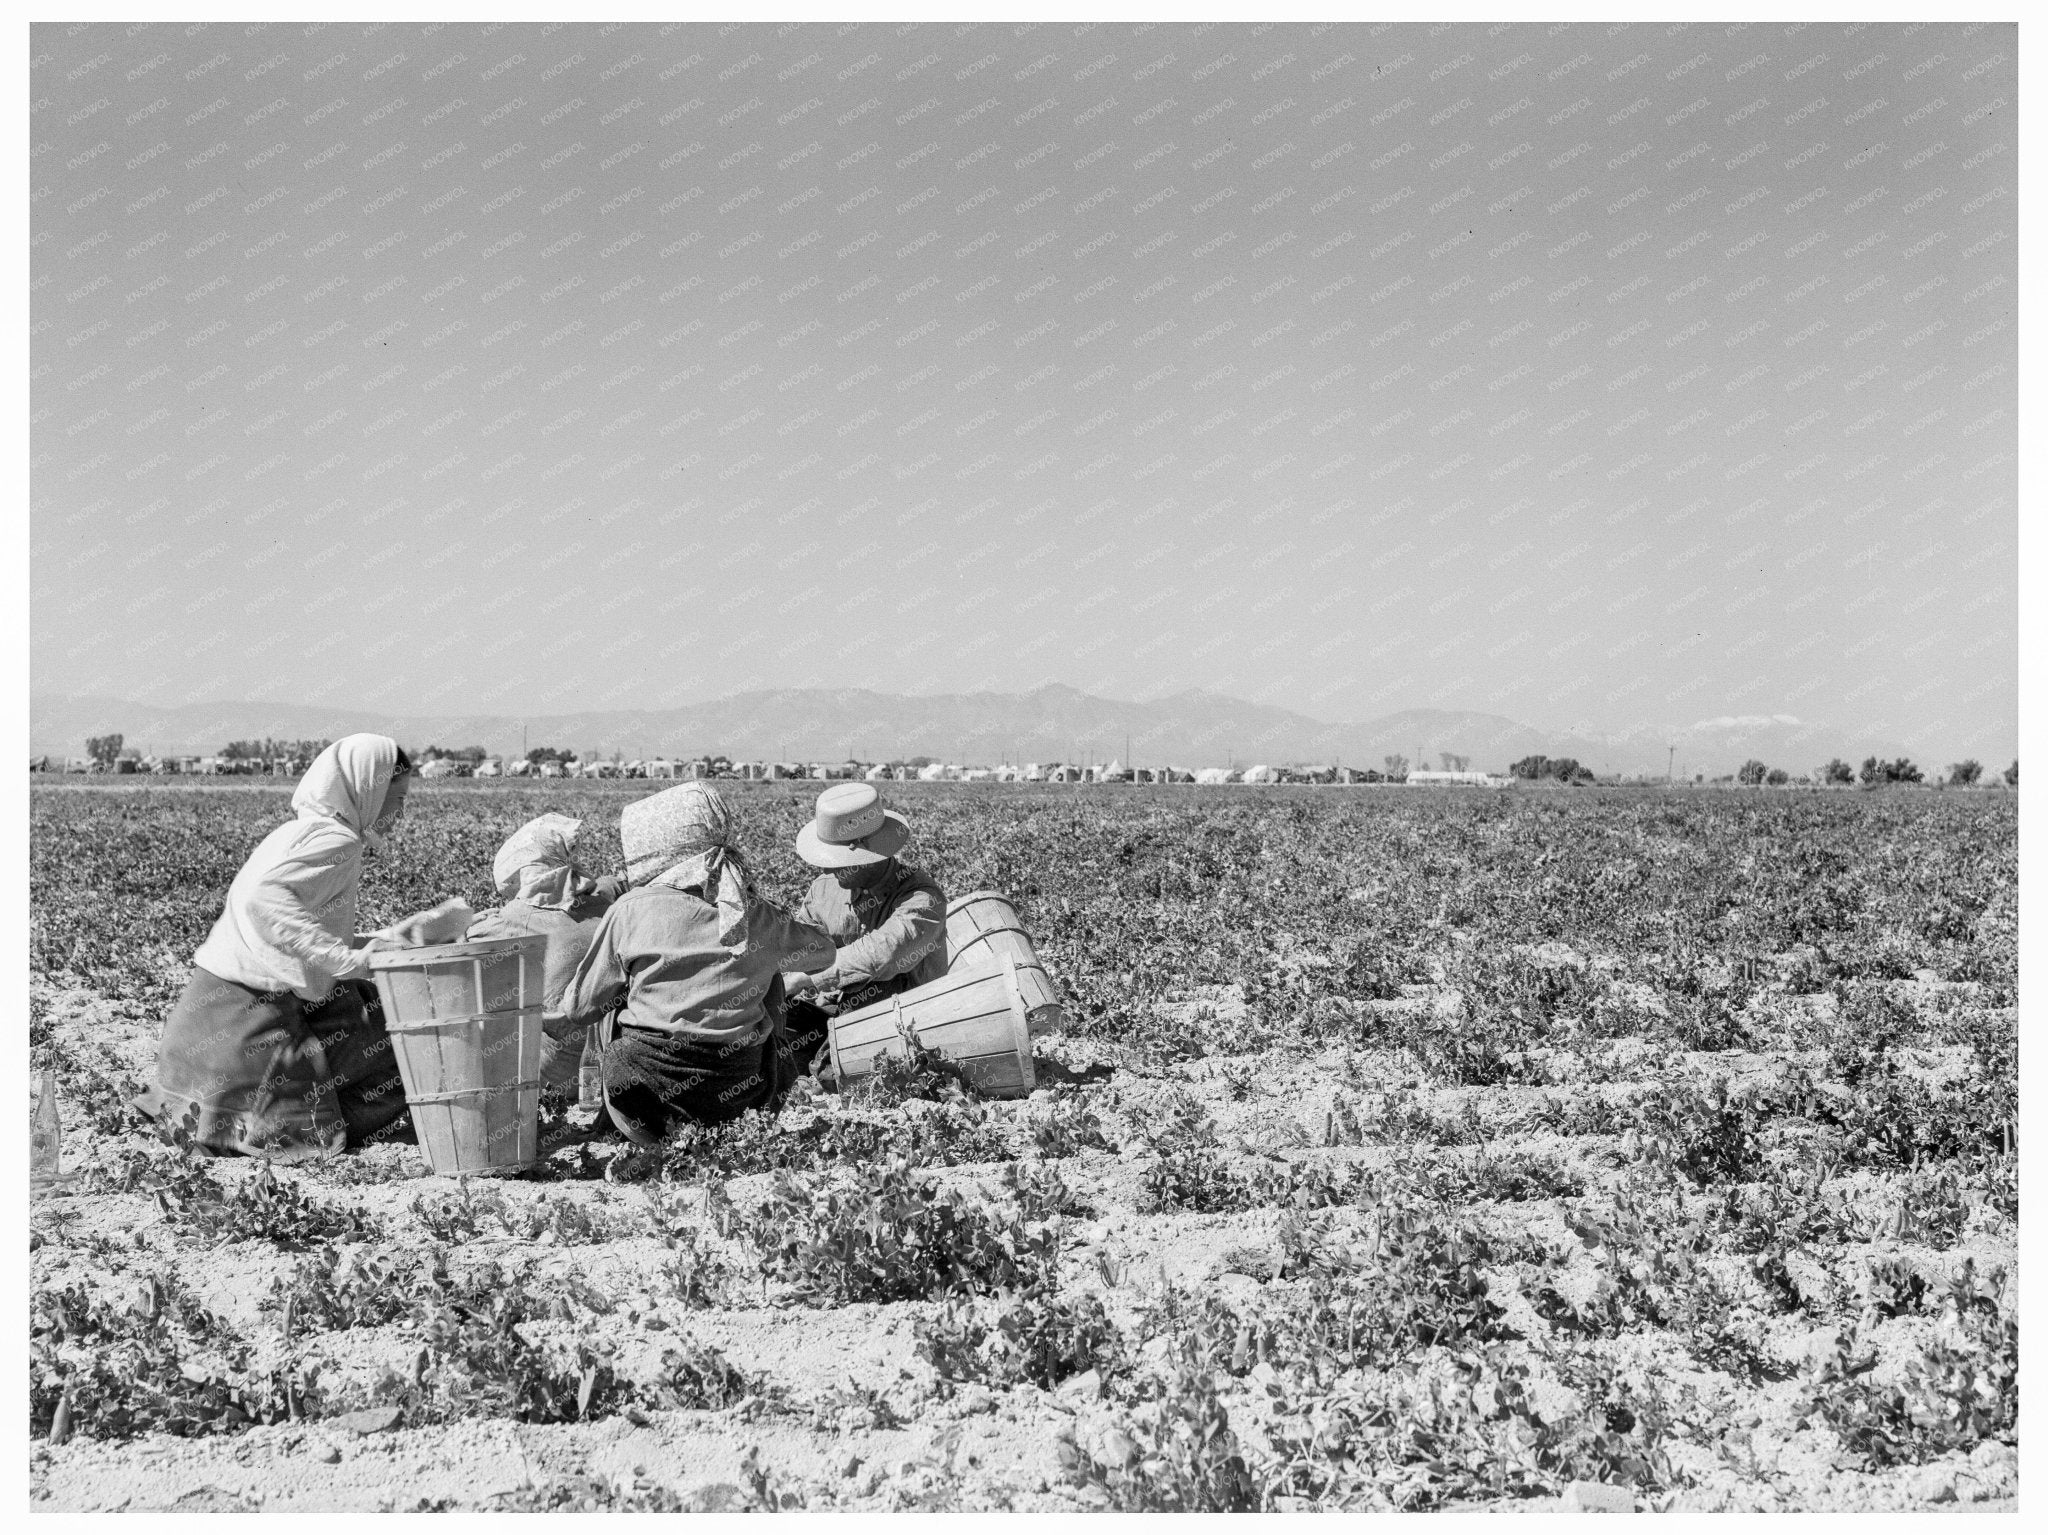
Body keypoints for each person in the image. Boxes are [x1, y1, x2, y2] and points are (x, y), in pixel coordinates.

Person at [136, 734, 436, 1161]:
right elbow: (264, 900)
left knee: (357, 1015)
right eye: (397, 797)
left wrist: (386, 943)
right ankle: (305, 1128)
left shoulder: (300, 831)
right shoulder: (338, 841)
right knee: (395, 1041)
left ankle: (214, 1125)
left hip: (201, 1019)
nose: (401, 811)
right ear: (367, 789)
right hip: (246, 1021)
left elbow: (289, 927)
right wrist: (350, 961)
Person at [558, 782, 836, 1145]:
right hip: (743, 1096)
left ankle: (620, 1129)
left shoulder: (631, 910)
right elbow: (825, 955)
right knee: (772, 981)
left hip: (646, 1102)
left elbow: (580, 1008)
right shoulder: (753, 914)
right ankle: (743, 1128)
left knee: (616, 997)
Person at [780, 783, 948, 1076]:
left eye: (836, 861)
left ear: (868, 856)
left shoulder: (922, 898)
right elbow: (800, 949)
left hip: (906, 1019)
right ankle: (816, 1065)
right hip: (833, 1010)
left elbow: (882, 955)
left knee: (875, 987)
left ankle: (832, 1070)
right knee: (778, 1019)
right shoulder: (824, 890)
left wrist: (806, 978)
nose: (827, 870)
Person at [462, 813, 626, 1090]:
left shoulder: (511, 918)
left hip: (555, 1070)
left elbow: (462, 940)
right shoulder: (604, 900)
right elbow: (616, 881)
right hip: (611, 1057)